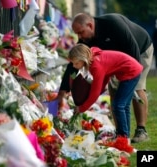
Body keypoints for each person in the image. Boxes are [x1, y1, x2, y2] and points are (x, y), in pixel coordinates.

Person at [58, 13, 153, 143]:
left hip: (139, 50)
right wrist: (64, 88)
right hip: (116, 63)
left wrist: (83, 106)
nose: (79, 37)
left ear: (90, 25)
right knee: (115, 93)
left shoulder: (114, 24)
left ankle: (141, 130)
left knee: (137, 88)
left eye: (81, 32)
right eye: (77, 34)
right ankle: (121, 133)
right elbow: (73, 66)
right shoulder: (85, 42)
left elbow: (133, 49)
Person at [69, 44, 142, 139]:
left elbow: (95, 92)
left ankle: (123, 136)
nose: (74, 66)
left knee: (118, 105)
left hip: (131, 72)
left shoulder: (96, 65)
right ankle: (124, 135)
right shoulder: (93, 58)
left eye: (76, 63)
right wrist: (101, 89)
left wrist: (82, 108)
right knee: (123, 105)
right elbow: (106, 75)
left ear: (83, 59)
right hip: (130, 69)